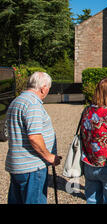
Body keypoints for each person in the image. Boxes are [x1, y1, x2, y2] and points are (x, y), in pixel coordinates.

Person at [5, 72, 61, 204]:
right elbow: (34, 137)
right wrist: (49, 156)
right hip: (32, 166)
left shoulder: (17, 100)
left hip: (18, 164)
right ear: (44, 88)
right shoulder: (32, 104)